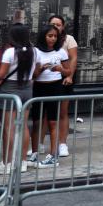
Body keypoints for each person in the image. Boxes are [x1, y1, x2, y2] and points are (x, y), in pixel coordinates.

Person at [0, 24, 38, 173]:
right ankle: (22, 162)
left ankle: (7, 164)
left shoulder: (10, 52)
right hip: (27, 89)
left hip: (10, 89)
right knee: (23, 126)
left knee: (8, 128)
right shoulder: (33, 51)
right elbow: (35, 72)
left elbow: (1, 74)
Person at [31, 25, 70, 168]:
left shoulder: (61, 52)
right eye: (49, 36)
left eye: (55, 36)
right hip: (39, 87)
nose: (52, 39)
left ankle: (53, 155)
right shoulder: (35, 52)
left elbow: (68, 71)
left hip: (55, 86)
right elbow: (33, 75)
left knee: (53, 122)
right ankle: (34, 153)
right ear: (43, 36)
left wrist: (60, 69)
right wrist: (40, 68)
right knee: (36, 122)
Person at [48, 15, 77, 158]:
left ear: (63, 26)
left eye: (58, 24)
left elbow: (74, 58)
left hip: (63, 79)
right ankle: (39, 144)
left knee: (63, 112)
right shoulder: (44, 38)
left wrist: (69, 76)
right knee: (44, 113)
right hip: (46, 80)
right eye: (53, 24)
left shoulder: (69, 39)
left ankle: (62, 143)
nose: (56, 26)